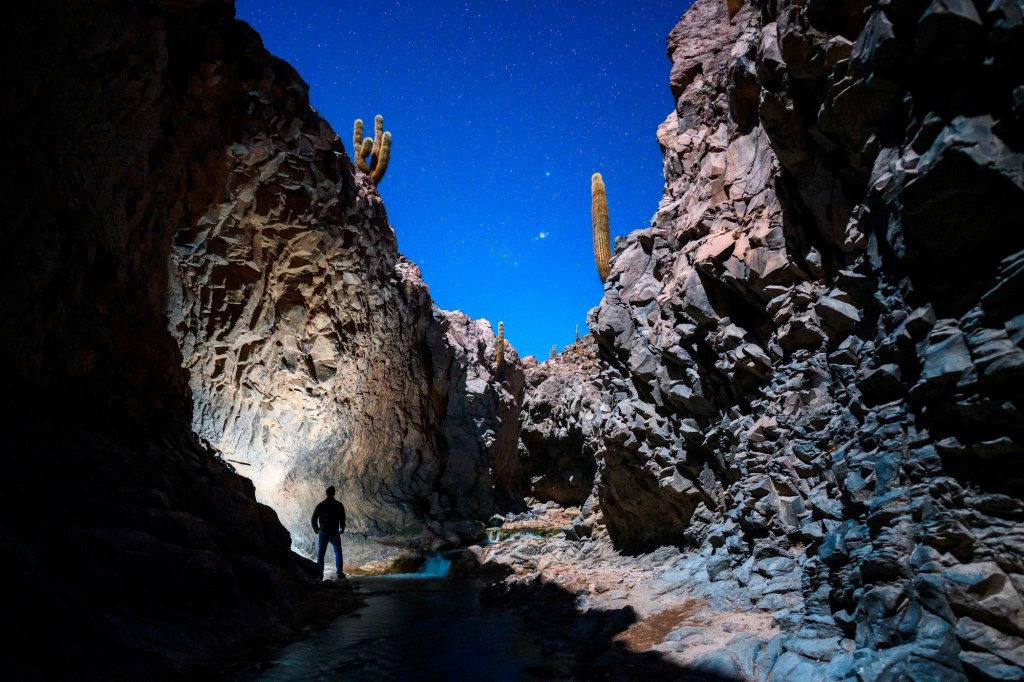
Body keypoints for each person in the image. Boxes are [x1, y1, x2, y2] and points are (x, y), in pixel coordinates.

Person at [311, 485, 346, 580]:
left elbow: (313, 518)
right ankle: (339, 573)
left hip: (324, 531)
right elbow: (342, 518)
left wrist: (316, 529)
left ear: (326, 493)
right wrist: (342, 528)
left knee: (321, 553)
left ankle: (319, 575)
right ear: (334, 493)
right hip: (334, 532)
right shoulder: (339, 505)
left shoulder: (321, 505)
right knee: (338, 551)